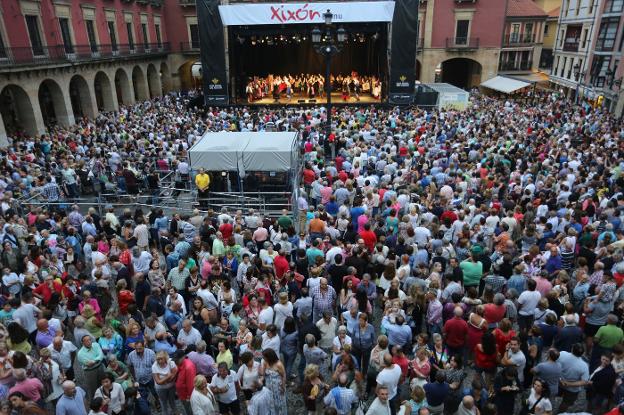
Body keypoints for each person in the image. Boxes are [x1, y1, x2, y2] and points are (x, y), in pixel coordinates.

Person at [151, 351, 177, 415]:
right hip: (160, 388)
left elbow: (175, 373)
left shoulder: (171, 362)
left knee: (172, 401)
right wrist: (168, 376)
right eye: (158, 359)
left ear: (165, 358)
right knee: (163, 402)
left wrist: (164, 380)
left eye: (161, 359)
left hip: (171, 386)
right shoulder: (154, 366)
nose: (159, 361)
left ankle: (175, 413)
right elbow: (158, 382)